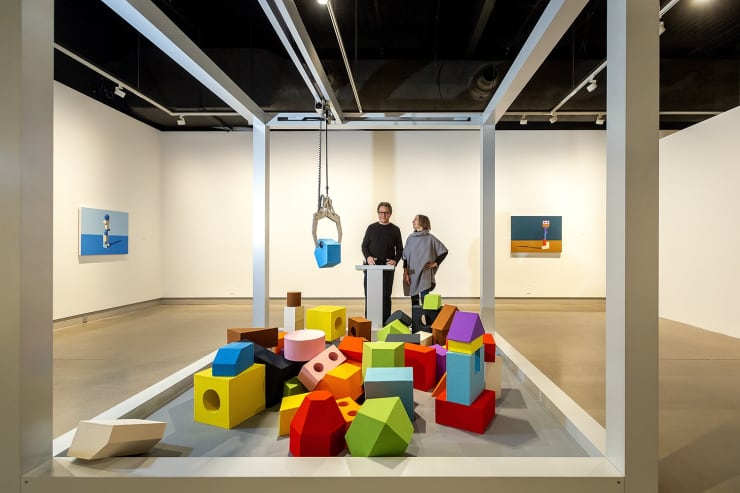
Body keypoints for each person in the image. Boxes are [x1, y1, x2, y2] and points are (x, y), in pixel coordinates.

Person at [361, 201, 404, 324]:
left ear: (390, 213)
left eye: (386, 212)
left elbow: (400, 249)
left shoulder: (395, 230)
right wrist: (368, 257)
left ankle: (385, 323)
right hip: (371, 268)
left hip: (387, 269)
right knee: (370, 296)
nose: (383, 215)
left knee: (385, 296)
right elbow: (364, 246)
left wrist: (395, 260)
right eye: (381, 212)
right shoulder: (371, 228)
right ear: (378, 213)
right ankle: (369, 323)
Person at [402, 214, 448, 306]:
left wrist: (435, 263)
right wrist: (405, 272)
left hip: (424, 273)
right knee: (414, 302)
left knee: (425, 301)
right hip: (412, 274)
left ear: (422, 222)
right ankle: (416, 316)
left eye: (415, 220)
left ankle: (427, 316)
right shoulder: (410, 238)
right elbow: (405, 257)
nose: (413, 221)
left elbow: (444, 251)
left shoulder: (430, 238)